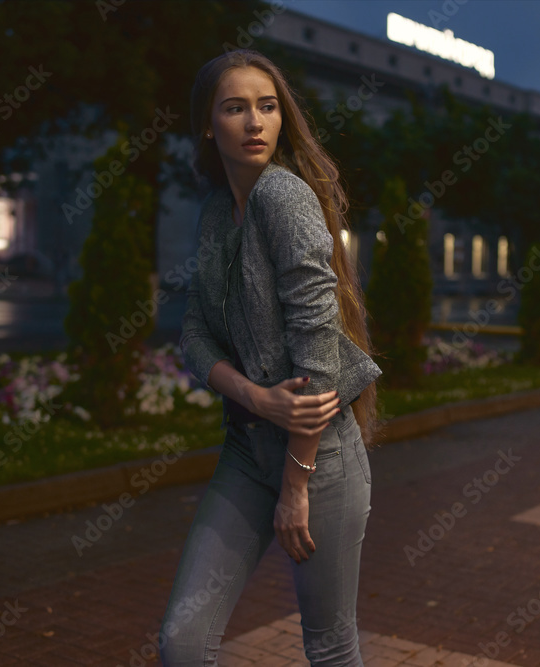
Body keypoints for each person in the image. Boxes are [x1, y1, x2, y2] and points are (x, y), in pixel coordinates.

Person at [159, 49, 382, 667]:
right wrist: (256, 397)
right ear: (209, 125)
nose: (255, 122)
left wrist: (295, 486)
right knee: (181, 643)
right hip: (244, 451)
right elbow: (195, 335)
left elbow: (319, 352)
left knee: (330, 647)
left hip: (319, 464)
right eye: (235, 108)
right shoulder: (213, 215)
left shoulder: (284, 196)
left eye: (267, 106)